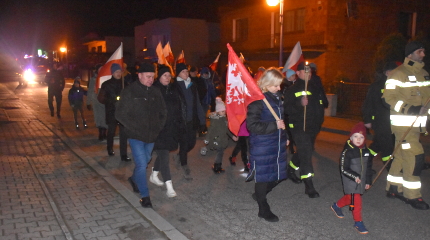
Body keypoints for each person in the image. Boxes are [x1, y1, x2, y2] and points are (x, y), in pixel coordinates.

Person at [382, 41, 430, 210]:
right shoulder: (398, 73)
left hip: (417, 125)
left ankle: (393, 188)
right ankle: (413, 196)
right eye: (420, 51)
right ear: (409, 54)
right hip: (403, 125)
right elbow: (389, 98)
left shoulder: (424, 74)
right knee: (415, 156)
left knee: (401, 156)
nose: (423, 54)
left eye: (424, 51)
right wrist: (411, 109)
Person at [116, 62, 167, 208]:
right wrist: (134, 128)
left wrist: (158, 127)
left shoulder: (156, 92)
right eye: (148, 77)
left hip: (151, 136)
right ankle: (145, 196)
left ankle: (133, 179)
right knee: (142, 164)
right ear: (139, 76)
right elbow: (119, 114)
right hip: (136, 136)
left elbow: (163, 112)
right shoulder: (129, 91)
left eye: (152, 77)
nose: (151, 79)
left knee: (146, 159)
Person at [246, 67, 289, 222]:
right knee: (263, 178)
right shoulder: (257, 100)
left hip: (277, 143)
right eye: (275, 85)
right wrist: (274, 126)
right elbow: (252, 126)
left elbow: (282, 120)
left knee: (280, 175)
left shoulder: (277, 98)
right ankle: (263, 208)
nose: (279, 88)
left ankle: (259, 195)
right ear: (267, 83)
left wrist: (286, 135)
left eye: (279, 85)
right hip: (262, 145)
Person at [284, 62, 325, 198]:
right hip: (299, 126)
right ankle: (308, 184)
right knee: (306, 154)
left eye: (310, 72)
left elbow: (322, 105)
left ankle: (290, 169)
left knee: (305, 150)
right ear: (298, 73)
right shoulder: (292, 90)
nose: (308, 74)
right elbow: (287, 109)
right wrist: (300, 104)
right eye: (305, 72)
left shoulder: (315, 87)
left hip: (313, 127)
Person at [330, 122, 373, 234]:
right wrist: (354, 176)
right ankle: (358, 222)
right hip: (350, 179)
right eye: (356, 136)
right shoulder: (347, 152)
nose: (358, 139)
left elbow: (368, 168)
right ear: (351, 137)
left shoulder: (367, 152)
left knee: (351, 198)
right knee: (356, 200)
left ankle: (336, 206)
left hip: (361, 180)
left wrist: (368, 181)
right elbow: (344, 169)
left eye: (361, 137)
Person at [151, 66, 183, 198]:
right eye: (165, 75)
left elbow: (178, 108)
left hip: (171, 128)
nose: (168, 78)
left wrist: (180, 124)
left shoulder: (172, 90)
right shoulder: (155, 90)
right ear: (159, 77)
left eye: (169, 76)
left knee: (163, 153)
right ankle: (169, 186)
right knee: (164, 157)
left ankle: (153, 175)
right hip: (159, 129)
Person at [362, 61, 399, 170]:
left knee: (377, 145)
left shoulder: (397, 86)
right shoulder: (377, 86)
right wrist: (367, 120)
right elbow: (368, 104)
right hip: (380, 121)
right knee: (387, 146)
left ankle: (365, 161)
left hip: (391, 122)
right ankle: (391, 168)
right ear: (387, 72)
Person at [172, 63, 206, 180]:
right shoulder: (175, 86)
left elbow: (197, 103)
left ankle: (179, 156)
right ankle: (185, 167)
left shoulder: (192, 85)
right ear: (178, 74)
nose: (186, 73)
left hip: (192, 120)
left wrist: (202, 121)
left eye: (187, 71)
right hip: (181, 121)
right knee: (184, 143)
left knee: (192, 143)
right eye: (183, 72)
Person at [98, 63, 130, 161]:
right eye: (116, 72)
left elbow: (129, 97)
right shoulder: (106, 84)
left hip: (122, 112)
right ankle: (110, 148)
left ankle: (123, 155)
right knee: (111, 132)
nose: (118, 73)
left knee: (123, 134)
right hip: (112, 111)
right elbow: (100, 98)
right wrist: (111, 100)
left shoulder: (125, 84)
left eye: (120, 71)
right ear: (113, 73)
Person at [201, 97, 234, 173]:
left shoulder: (224, 119)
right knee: (219, 153)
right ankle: (216, 167)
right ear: (218, 111)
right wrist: (207, 139)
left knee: (221, 153)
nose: (224, 112)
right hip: (217, 139)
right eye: (222, 111)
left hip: (223, 139)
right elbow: (210, 130)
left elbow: (226, 129)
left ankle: (217, 166)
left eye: (224, 111)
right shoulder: (215, 121)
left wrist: (232, 136)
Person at [87, 64, 108, 140]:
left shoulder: (107, 78)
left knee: (105, 118)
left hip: (105, 101)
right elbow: (90, 90)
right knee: (98, 118)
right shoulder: (93, 79)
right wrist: (88, 102)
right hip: (96, 101)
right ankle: (101, 133)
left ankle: (104, 133)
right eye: (100, 69)